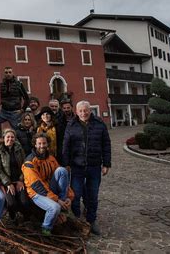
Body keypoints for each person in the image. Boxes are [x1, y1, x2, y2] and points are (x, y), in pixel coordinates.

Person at [62, 100, 111, 235]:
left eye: (86, 110)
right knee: (75, 194)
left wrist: (106, 164)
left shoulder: (100, 124)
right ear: (77, 112)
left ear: (90, 110)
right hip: (77, 166)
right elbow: (66, 146)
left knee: (93, 195)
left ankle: (91, 220)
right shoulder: (71, 125)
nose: (83, 113)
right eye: (81, 111)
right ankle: (77, 217)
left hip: (94, 166)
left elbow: (106, 144)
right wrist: (66, 164)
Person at [22, 133, 73, 236]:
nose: (42, 146)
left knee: (62, 170)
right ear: (35, 145)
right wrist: (56, 200)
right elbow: (37, 186)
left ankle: (63, 205)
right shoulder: (29, 162)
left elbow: (63, 178)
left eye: (44, 143)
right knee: (55, 207)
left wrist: (69, 197)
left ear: (47, 144)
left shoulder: (50, 158)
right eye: (39, 143)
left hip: (49, 188)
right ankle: (46, 229)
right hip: (36, 192)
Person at [0, 129, 29, 223]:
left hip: (19, 180)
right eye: (8, 137)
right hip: (7, 181)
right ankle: (13, 218)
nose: (10, 139)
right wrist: (8, 183)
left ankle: (25, 221)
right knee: (11, 203)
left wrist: (21, 180)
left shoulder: (19, 148)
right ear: (4, 138)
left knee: (24, 201)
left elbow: (24, 165)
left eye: (12, 137)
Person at [0, 66, 30, 131]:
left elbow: (27, 99)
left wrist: (22, 110)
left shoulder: (19, 84)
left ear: (12, 73)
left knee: (20, 132)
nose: (8, 74)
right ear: (4, 74)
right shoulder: (0, 85)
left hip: (15, 113)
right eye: (6, 72)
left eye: (10, 72)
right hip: (3, 112)